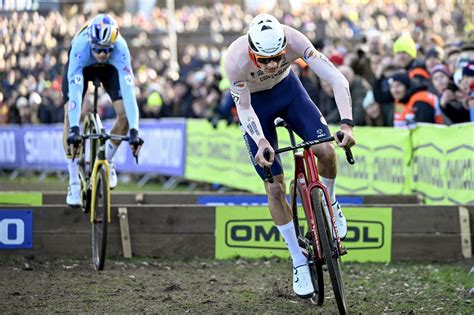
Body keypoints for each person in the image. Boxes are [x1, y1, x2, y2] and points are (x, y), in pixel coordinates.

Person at [224, 14, 355, 299]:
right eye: (263, 59)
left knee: (326, 150)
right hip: (256, 107)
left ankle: (329, 203)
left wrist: (346, 124)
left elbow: (335, 76)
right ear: (251, 50)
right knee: (275, 186)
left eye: (277, 58)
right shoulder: (235, 60)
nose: (271, 65)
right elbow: (245, 110)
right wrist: (260, 141)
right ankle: (298, 259)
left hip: (289, 92)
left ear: (285, 46)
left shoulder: (296, 38)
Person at [63, 14, 143, 207]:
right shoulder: (80, 48)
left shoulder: (121, 49)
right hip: (82, 67)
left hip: (110, 70)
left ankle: (106, 160)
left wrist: (134, 130)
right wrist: (75, 128)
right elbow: (74, 93)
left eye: (106, 50)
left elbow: (129, 91)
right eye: (97, 49)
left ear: (113, 44)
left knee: (123, 117)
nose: (101, 54)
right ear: (91, 42)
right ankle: (74, 181)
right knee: (69, 117)